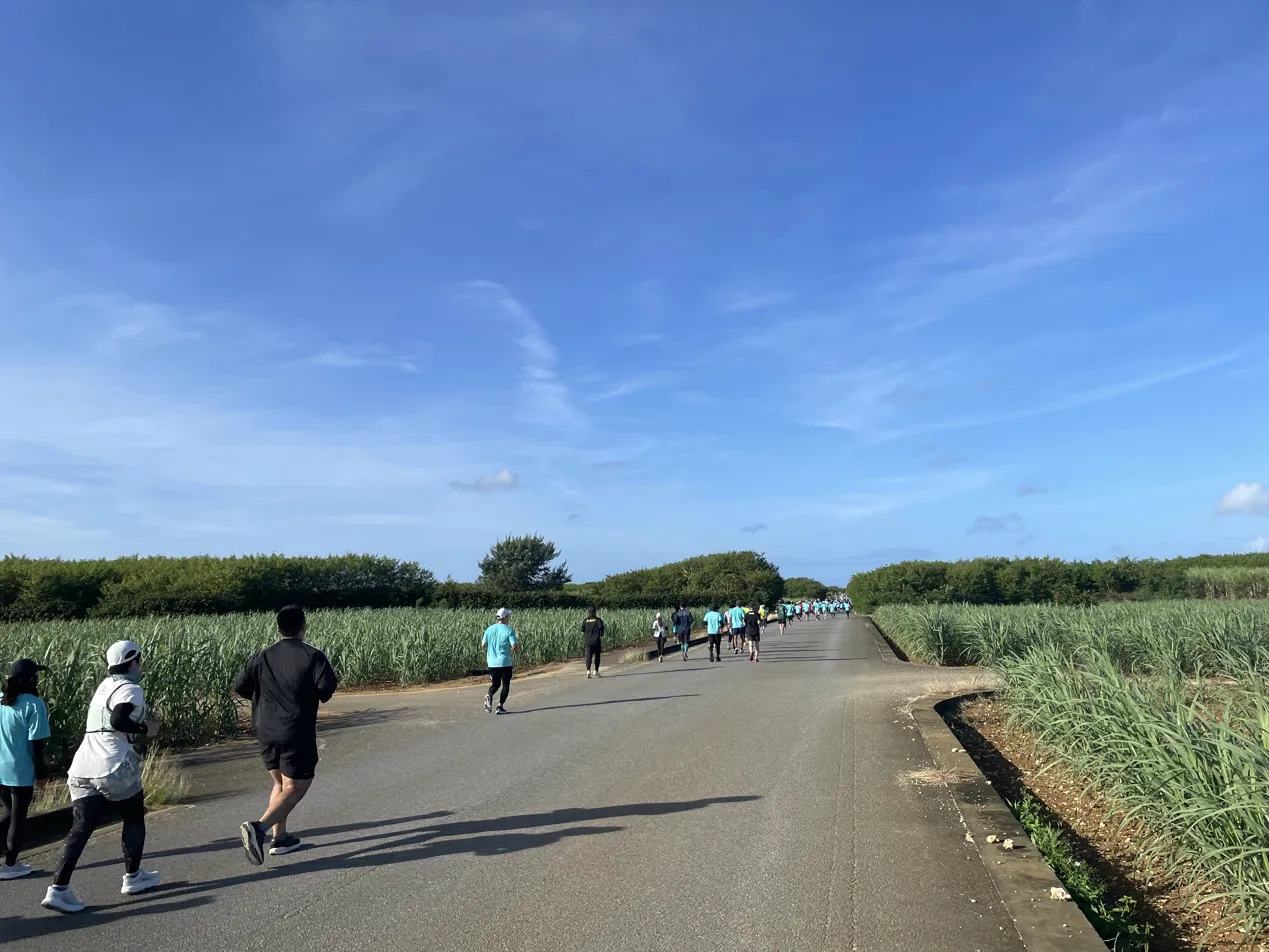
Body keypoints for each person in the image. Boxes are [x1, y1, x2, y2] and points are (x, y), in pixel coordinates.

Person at [43, 641, 162, 914]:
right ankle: (133, 877)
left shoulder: (103, 686)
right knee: (133, 815)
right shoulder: (131, 688)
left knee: (81, 826)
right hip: (114, 762)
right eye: (139, 659)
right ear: (132, 662)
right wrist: (145, 728)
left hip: (82, 765)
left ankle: (58, 889)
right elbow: (119, 720)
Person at [235, 605, 339, 867]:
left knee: (281, 784)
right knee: (297, 786)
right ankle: (258, 828)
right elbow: (326, 688)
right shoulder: (312, 655)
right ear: (304, 626)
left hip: (265, 729)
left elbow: (240, 686)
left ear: (278, 628)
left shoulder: (262, 655)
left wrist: (265, 701)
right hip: (295, 729)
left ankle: (280, 839)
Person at [1, 659, 51, 881]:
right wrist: (41, 774)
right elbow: (36, 745)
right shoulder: (34, 705)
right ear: (31, 678)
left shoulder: (1, 700)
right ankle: (10, 865)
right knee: (18, 818)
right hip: (19, 770)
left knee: (9, 813)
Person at [481, 608, 518, 713]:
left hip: (492, 662)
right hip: (505, 662)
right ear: (505, 617)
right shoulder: (509, 630)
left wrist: (492, 648)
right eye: (508, 617)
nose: (509, 618)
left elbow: (483, 644)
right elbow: (514, 645)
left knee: (496, 684)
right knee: (505, 684)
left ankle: (489, 694)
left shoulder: (489, 629)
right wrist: (514, 650)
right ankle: (500, 706)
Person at [583, 606, 605, 678]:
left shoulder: (585, 620)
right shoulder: (598, 620)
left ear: (589, 612)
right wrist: (601, 633)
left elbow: (582, 629)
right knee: (597, 656)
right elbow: (601, 627)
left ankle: (588, 671)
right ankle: (596, 671)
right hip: (596, 641)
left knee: (588, 656)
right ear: (595, 612)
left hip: (588, 641)